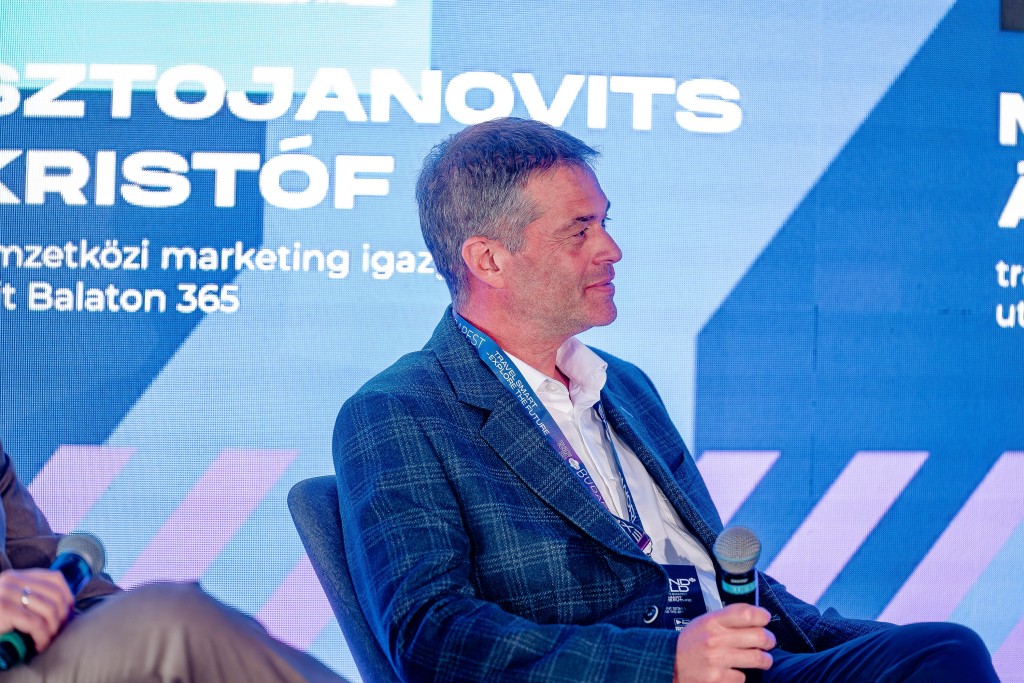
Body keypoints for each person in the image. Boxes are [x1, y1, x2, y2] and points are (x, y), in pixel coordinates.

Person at [332, 117, 999, 683]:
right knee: (943, 656)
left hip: (743, 661)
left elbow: (719, 578)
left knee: (940, 652)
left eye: (604, 223)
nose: (611, 248)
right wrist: (665, 662)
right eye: (579, 230)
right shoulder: (400, 410)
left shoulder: (624, 386)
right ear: (488, 260)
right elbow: (433, 634)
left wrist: (873, 647)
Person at [0, 444, 347, 682]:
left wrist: (125, 624)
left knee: (187, 643)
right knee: (170, 623)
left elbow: (41, 557)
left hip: (32, 649)